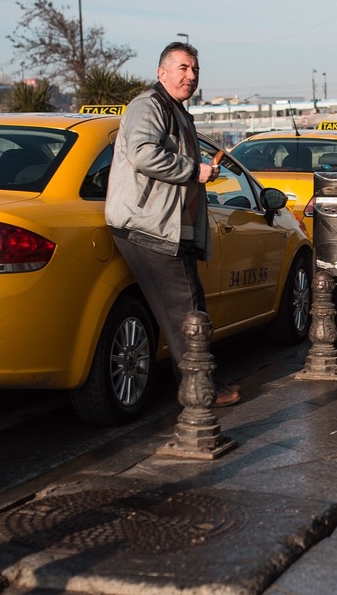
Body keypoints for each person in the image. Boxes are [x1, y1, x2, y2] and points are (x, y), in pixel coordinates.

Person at [104, 41, 240, 407]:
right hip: (150, 227)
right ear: (161, 72)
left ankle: (197, 384)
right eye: (182, 68)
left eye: (195, 70)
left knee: (185, 307)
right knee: (188, 311)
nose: (191, 76)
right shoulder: (148, 105)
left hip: (167, 227)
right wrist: (195, 171)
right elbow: (143, 152)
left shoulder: (175, 110)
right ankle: (201, 392)